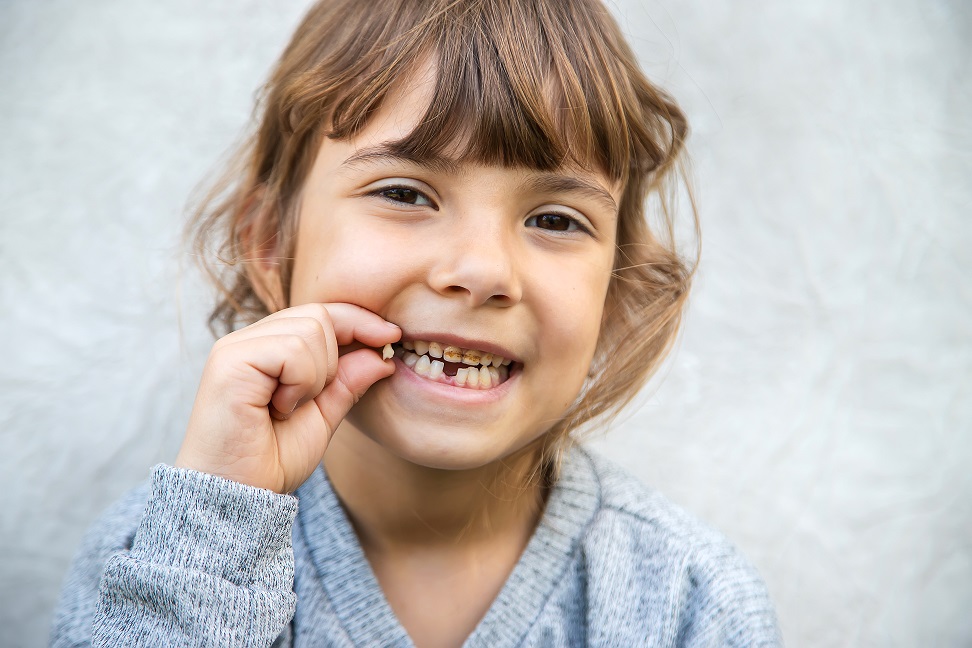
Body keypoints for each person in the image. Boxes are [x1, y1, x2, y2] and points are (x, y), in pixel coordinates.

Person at [51, 0, 782, 645]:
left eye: (555, 218)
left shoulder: (692, 606)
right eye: (404, 193)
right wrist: (214, 540)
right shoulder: (159, 560)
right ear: (273, 243)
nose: (483, 271)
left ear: (614, 293)